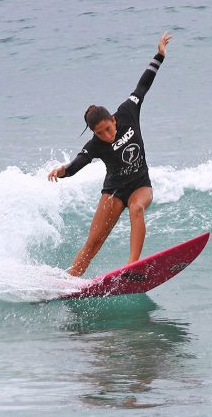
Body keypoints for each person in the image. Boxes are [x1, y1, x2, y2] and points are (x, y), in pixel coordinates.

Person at [48, 32, 172, 277]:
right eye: (100, 133)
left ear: (113, 120)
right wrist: (62, 171)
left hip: (140, 184)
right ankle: (68, 283)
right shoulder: (95, 144)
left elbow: (143, 84)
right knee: (93, 242)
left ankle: (132, 266)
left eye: (108, 128)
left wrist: (159, 55)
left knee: (137, 208)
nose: (107, 135)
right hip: (114, 190)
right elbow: (77, 164)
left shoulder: (127, 111)